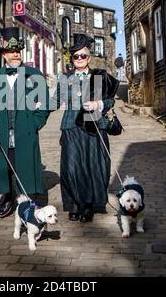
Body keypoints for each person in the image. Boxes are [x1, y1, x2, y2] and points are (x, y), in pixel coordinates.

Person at [0, 27, 50, 218]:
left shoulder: (34, 75)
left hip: (25, 130)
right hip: (1, 130)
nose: (15, 55)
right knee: (3, 163)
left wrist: (35, 124)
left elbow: (44, 104)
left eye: (17, 51)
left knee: (25, 163)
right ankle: (8, 195)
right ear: (4, 54)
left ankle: (26, 198)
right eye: (11, 52)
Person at [51, 34, 119, 222]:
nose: (79, 59)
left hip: (95, 126)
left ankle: (89, 205)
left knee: (93, 166)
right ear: (71, 59)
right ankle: (75, 204)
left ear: (89, 57)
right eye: (76, 56)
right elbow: (55, 100)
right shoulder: (65, 79)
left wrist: (99, 104)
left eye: (83, 56)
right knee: (71, 168)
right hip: (71, 126)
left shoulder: (99, 76)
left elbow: (110, 99)